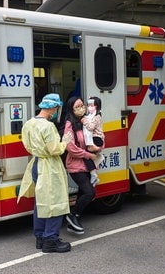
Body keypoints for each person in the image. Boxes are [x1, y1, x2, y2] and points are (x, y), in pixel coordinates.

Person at [17, 93, 72, 253]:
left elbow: (27, 145)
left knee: (40, 202)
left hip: (36, 163)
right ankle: (51, 240)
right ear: (52, 108)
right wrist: (65, 142)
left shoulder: (29, 123)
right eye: (56, 108)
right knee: (56, 202)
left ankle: (40, 237)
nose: (56, 111)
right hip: (49, 166)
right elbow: (54, 149)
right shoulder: (48, 126)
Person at [63, 96, 98, 235]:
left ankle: (74, 221)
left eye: (82, 105)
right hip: (75, 165)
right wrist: (88, 155)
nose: (81, 108)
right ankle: (72, 215)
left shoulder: (84, 122)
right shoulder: (69, 125)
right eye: (77, 107)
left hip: (85, 164)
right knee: (90, 192)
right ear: (71, 110)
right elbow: (70, 147)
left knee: (82, 193)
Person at [81, 96, 105, 186]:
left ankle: (94, 175)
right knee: (88, 156)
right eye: (88, 105)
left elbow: (91, 127)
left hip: (96, 139)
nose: (89, 107)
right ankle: (94, 175)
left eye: (91, 105)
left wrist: (84, 121)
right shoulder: (91, 116)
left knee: (87, 156)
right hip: (95, 139)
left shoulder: (97, 116)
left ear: (97, 106)